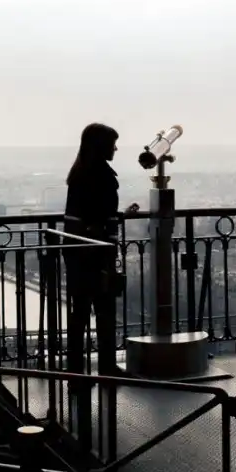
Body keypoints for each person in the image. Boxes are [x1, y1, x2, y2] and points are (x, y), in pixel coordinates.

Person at [63, 123, 138, 387]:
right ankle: (106, 367)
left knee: (80, 315)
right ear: (101, 146)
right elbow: (100, 219)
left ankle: (76, 373)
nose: (116, 149)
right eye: (112, 144)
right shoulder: (101, 177)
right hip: (96, 254)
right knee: (104, 313)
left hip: (79, 254)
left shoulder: (80, 175)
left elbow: (88, 217)